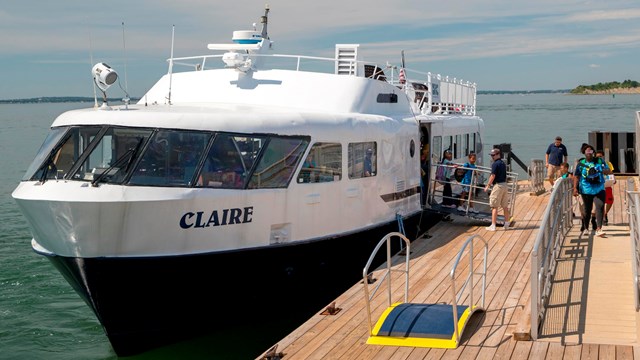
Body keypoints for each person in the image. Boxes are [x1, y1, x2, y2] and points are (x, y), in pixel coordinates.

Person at [573, 145, 610, 237]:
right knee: (587, 209)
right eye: (587, 151)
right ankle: (586, 228)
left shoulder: (599, 161)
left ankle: (599, 229)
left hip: (599, 188)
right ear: (584, 152)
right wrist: (575, 188)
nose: (589, 152)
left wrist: (604, 170)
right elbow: (576, 176)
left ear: (593, 152)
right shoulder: (581, 163)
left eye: (591, 151)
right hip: (586, 189)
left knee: (600, 206)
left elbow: (607, 170)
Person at [484, 148, 511, 231]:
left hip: (498, 185)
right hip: (504, 185)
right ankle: (506, 223)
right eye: (491, 155)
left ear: (498, 154)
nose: (492, 157)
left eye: (493, 155)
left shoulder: (495, 164)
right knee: (505, 206)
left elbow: (493, 176)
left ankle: (493, 225)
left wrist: (487, 185)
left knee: (494, 206)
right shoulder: (502, 163)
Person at [590, 150, 615, 226]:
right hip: (597, 186)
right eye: (598, 156)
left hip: (607, 184)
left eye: (601, 156)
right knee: (600, 202)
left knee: (610, 201)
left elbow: (611, 172)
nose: (599, 158)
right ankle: (601, 218)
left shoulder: (608, 163)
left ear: (603, 156)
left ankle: (604, 214)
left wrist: (614, 178)